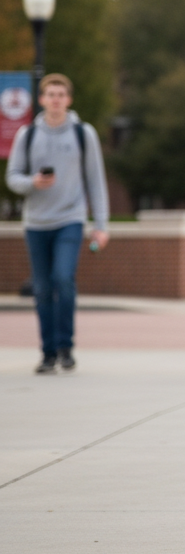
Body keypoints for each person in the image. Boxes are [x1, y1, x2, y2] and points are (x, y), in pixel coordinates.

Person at [5, 73, 110, 374]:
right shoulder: (28, 135)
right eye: (50, 94)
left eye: (61, 95)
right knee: (41, 287)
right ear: (41, 100)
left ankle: (66, 346)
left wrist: (100, 225)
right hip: (36, 222)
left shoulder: (82, 133)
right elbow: (12, 177)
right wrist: (33, 183)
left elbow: (95, 180)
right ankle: (47, 352)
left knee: (63, 279)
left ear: (69, 99)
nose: (55, 100)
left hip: (70, 218)